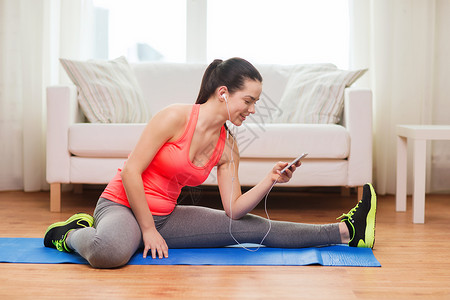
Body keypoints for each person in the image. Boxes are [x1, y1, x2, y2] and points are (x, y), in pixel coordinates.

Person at [44, 58, 377, 269]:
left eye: (256, 102)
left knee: (253, 229)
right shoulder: (174, 117)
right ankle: (72, 233)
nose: (252, 109)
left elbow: (233, 210)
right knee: (111, 253)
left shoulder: (228, 145)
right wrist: (147, 230)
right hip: (123, 205)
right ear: (223, 93)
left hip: (167, 217)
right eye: (248, 100)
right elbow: (131, 172)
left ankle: (347, 230)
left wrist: (269, 179)